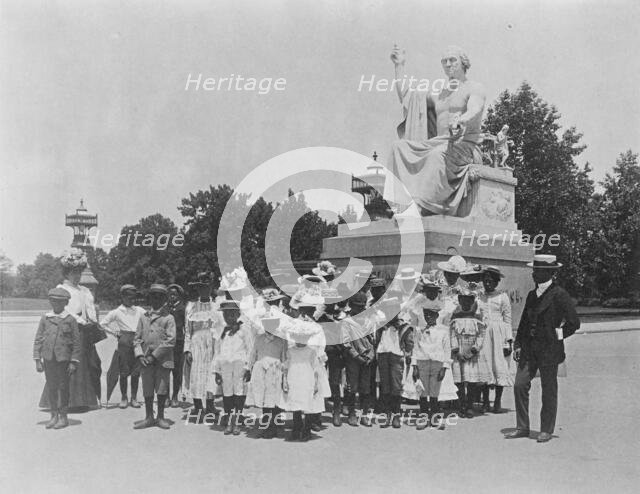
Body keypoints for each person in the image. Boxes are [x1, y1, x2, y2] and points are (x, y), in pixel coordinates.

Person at [384, 45, 486, 216]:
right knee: (398, 147)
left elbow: (475, 108)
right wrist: (399, 66)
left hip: (465, 145)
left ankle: (420, 205)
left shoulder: (474, 88)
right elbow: (408, 97)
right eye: (444, 61)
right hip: (439, 143)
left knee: (437, 155)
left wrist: (462, 120)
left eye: (452, 60)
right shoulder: (439, 94)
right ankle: (401, 203)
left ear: (463, 63)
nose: (448, 64)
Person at [506, 255, 580, 443]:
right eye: (534, 270)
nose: (533, 274)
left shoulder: (560, 294)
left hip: (549, 350)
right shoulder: (532, 294)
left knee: (548, 390)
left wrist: (557, 335)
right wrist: (518, 344)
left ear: (550, 273)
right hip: (529, 349)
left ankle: (546, 429)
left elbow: (574, 323)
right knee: (519, 385)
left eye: (538, 271)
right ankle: (522, 427)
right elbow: (523, 323)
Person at [39, 249, 104, 411]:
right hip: (69, 328)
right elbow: (65, 311)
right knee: (70, 363)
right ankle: (67, 402)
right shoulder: (62, 288)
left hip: (86, 331)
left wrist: (93, 322)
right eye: (73, 272)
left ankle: (84, 399)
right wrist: (81, 320)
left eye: (78, 272)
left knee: (91, 364)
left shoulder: (84, 290)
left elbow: (90, 309)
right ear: (66, 273)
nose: (77, 276)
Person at [33, 287, 81, 429]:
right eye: (53, 301)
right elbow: (38, 339)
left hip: (64, 359)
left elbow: (77, 343)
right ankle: (53, 415)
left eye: (60, 302)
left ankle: (63, 416)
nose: (56, 304)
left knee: (63, 387)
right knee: (52, 386)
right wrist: (37, 359)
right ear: (50, 302)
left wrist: (73, 361)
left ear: (66, 303)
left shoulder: (70, 320)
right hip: (49, 358)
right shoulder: (45, 318)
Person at [133, 284, 176, 430]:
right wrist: (139, 355)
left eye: (160, 296)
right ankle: (149, 417)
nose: (156, 299)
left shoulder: (168, 318)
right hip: (145, 361)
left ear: (164, 299)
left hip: (162, 360)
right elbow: (136, 338)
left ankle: (161, 417)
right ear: (149, 297)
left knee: (162, 388)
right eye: (153, 296)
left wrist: (154, 356)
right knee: (147, 388)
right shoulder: (143, 317)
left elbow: (170, 340)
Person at [182, 272, 221, 418]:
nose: (204, 290)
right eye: (201, 287)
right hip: (196, 343)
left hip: (212, 342)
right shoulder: (191, 307)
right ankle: (198, 406)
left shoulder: (216, 306)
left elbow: (220, 327)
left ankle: (210, 405)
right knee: (196, 373)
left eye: (207, 287)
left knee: (211, 373)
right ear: (198, 289)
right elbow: (187, 330)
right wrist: (187, 350)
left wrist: (219, 348)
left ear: (211, 288)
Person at [101, 284, 146, 408]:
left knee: (136, 372)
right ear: (123, 297)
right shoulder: (117, 312)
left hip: (137, 341)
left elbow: (149, 319)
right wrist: (115, 332)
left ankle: (134, 398)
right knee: (124, 372)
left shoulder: (140, 310)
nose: (132, 300)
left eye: (134, 297)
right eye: (129, 297)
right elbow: (102, 324)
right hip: (124, 342)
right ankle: (124, 398)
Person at [476, 266, 513, 413]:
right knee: (485, 365)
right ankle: (485, 401)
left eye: (491, 281)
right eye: (485, 280)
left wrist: (508, 341)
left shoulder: (502, 297)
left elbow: (508, 319)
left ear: (497, 282)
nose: (488, 283)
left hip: (499, 334)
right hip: (483, 333)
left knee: (499, 365)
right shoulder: (479, 297)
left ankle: (497, 401)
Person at [213, 300, 253, 436]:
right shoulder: (221, 331)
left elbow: (250, 349)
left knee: (239, 393)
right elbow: (217, 351)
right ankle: (229, 420)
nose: (229, 317)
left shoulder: (244, 330)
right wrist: (217, 371)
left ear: (238, 314)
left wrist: (248, 368)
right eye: (226, 314)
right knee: (227, 393)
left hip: (239, 366)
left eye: (232, 313)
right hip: (225, 366)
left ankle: (237, 421)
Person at [280, 321, 324, 442]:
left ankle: (307, 429)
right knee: (295, 403)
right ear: (294, 338)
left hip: (307, 379)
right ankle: (297, 427)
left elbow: (315, 368)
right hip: (294, 379)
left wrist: (315, 383)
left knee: (308, 404)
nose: (300, 341)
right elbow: (286, 367)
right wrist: (285, 381)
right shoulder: (290, 351)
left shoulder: (311, 351)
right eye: (298, 338)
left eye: (303, 338)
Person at [450, 288, 490, 418]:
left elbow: (481, 334)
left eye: (469, 301)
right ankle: (462, 404)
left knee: (472, 381)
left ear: (472, 301)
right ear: (459, 301)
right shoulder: (455, 316)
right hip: (459, 353)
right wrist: (457, 351)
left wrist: (473, 350)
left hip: (472, 354)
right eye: (463, 300)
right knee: (460, 380)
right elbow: (452, 334)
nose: (466, 303)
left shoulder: (477, 318)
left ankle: (470, 405)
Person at [375, 295, 414, 428]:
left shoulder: (403, 326)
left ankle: (396, 414)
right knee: (385, 385)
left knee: (396, 386)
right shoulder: (381, 326)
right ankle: (387, 414)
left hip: (397, 357)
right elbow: (377, 341)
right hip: (383, 356)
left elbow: (409, 344)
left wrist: (408, 355)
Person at [246, 315, 288, 439]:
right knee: (264, 399)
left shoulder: (281, 340)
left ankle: (273, 427)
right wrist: (248, 368)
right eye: (266, 324)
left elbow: (284, 357)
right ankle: (266, 424)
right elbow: (253, 354)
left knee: (274, 399)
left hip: (275, 371)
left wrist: (285, 375)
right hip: (260, 371)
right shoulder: (258, 338)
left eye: (272, 324)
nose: (269, 327)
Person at [412, 305, 451, 430]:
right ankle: (423, 418)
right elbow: (415, 347)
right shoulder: (419, 330)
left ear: (437, 316)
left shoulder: (443, 330)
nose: (428, 317)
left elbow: (446, 349)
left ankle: (434, 419)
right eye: (426, 314)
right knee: (422, 392)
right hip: (422, 362)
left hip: (437, 363)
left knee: (434, 392)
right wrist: (414, 365)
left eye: (431, 314)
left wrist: (444, 367)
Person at [341, 292, 376, 427]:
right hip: (353, 359)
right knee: (352, 387)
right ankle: (351, 414)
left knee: (365, 388)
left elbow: (373, 341)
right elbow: (346, 343)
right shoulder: (346, 322)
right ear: (351, 306)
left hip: (367, 358)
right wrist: (357, 357)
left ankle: (365, 415)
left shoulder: (368, 321)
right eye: (356, 307)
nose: (359, 310)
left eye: (362, 307)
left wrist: (370, 356)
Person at [167, 284, 186, 408]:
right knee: (165, 369)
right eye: (170, 294)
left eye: (174, 294)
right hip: (166, 342)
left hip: (178, 341)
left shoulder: (182, 308)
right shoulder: (165, 308)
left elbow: (186, 326)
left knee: (177, 371)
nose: (172, 296)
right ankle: (166, 397)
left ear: (178, 295)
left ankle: (175, 396)